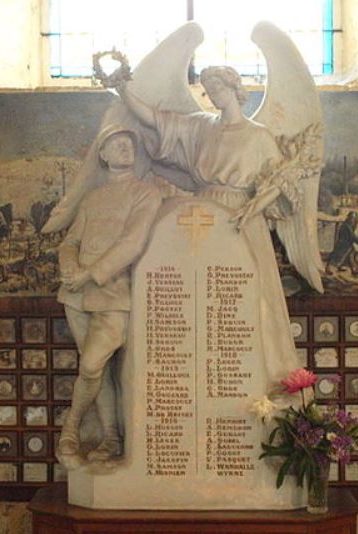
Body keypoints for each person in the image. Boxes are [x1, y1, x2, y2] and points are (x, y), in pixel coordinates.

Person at [116, 66, 303, 384]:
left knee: (254, 297)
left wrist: (253, 206)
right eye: (208, 90)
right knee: (198, 297)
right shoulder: (201, 127)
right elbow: (155, 118)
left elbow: (280, 183)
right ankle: (195, 381)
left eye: (218, 88)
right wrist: (121, 88)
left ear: (234, 89)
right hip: (201, 212)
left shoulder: (258, 135)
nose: (213, 95)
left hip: (242, 216)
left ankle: (265, 379)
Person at [55, 126, 162, 464]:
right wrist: (70, 267)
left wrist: (90, 273)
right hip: (75, 296)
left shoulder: (145, 193)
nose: (124, 149)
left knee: (90, 365)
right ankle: (111, 438)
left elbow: (132, 242)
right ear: (102, 155)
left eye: (128, 144)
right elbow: (70, 241)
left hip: (114, 295)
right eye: (116, 145)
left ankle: (70, 430)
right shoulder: (93, 197)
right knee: (97, 370)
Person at [326, 210, 358, 276]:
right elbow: (352, 236)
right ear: (349, 218)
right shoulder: (347, 226)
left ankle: (353, 268)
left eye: (354, 219)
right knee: (337, 256)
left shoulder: (349, 225)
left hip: (347, 244)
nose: (353, 221)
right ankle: (330, 268)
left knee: (351, 254)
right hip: (343, 245)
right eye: (352, 219)